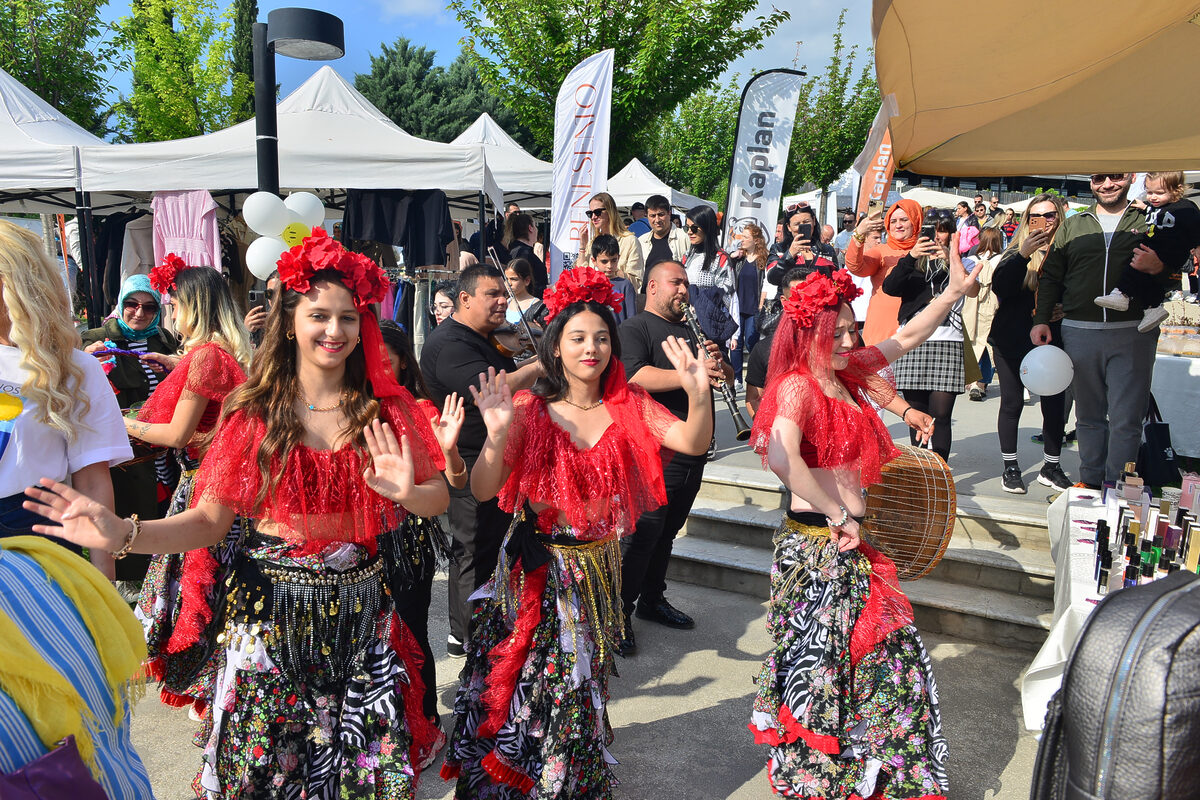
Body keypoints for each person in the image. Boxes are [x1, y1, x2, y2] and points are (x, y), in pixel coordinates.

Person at [25, 227, 450, 797]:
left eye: (348, 318)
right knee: (263, 777)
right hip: (268, 622)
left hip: (362, 624)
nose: (334, 330)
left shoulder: (386, 410)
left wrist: (406, 495)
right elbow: (208, 522)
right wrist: (123, 531)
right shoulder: (256, 413)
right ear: (292, 321)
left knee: (363, 780)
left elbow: (437, 496)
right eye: (320, 315)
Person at [440, 267, 713, 797]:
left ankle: (564, 778)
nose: (592, 348)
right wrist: (495, 438)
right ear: (556, 347)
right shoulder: (529, 409)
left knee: (578, 680)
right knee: (523, 677)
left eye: (602, 338)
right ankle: (515, 778)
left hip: (593, 570)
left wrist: (698, 393)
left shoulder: (628, 406)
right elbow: (482, 487)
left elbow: (692, 441)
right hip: (533, 570)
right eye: (578, 338)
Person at [748, 253, 980, 799]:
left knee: (873, 661)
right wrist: (835, 514)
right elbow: (782, 459)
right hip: (817, 546)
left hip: (851, 539)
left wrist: (951, 296)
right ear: (809, 335)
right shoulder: (797, 387)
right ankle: (824, 768)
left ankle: (872, 764)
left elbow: (905, 337)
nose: (851, 343)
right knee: (824, 666)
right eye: (840, 334)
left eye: (853, 331)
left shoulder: (846, 373)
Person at [127, 257, 250, 713]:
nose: (170, 314)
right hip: (225, 485)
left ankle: (207, 678)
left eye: (173, 305)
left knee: (198, 591)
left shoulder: (203, 358)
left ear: (191, 306)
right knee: (221, 586)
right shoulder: (225, 353)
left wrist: (127, 423)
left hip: (204, 485)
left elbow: (177, 435)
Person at [420, 264, 543, 657]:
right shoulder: (451, 344)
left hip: (494, 452)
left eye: (505, 294)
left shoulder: (484, 337)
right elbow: (492, 388)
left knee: (493, 543)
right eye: (493, 294)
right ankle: (466, 634)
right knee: (473, 546)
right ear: (465, 299)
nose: (503, 301)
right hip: (467, 457)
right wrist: (542, 364)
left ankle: (488, 622)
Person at [0, 220, 129, 576]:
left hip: (33, 540)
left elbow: (92, 480)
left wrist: (105, 582)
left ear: (15, 283)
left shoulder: (73, 368)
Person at [617, 260, 732, 656]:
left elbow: (720, 376)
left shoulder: (693, 332)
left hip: (691, 449)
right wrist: (690, 375)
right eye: (675, 282)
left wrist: (721, 370)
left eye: (686, 283)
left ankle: (652, 599)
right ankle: (619, 612)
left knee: (667, 533)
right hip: (653, 450)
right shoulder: (635, 328)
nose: (683, 289)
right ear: (652, 286)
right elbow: (632, 375)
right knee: (643, 533)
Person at [1031, 173, 1163, 489]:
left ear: (1131, 176)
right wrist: (1041, 319)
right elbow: (1050, 275)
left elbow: (1182, 261)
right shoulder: (1074, 225)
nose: (1106, 184)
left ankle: (1118, 487)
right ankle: (1090, 483)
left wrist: (1161, 266)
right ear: (1090, 183)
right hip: (1079, 330)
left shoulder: (1150, 220)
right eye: (1098, 178)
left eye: (1115, 176)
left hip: (1134, 330)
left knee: (1126, 420)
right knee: (1088, 417)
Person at [379, 319, 465, 755]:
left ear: (400, 362)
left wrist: (448, 449)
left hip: (407, 538)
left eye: (383, 357)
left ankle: (426, 722)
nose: (373, 364)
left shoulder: (419, 410)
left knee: (409, 633)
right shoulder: (342, 406)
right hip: (356, 546)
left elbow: (452, 481)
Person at [80, 271, 180, 592]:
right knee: (129, 512)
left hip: (164, 448)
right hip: (125, 455)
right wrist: (83, 360)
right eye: (132, 304)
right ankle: (129, 584)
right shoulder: (93, 338)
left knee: (164, 513)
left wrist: (173, 363)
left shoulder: (164, 340)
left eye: (149, 307)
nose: (139, 312)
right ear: (120, 303)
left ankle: (162, 580)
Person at [991, 195, 1074, 493]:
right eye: (1036, 216)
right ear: (1026, 221)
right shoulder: (1015, 251)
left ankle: (1051, 466)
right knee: (1012, 402)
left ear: (1060, 218)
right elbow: (1001, 288)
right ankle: (1010, 467)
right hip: (1011, 336)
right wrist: (1023, 254)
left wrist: (1067, 307)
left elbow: (1082, 289)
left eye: (1051, 215)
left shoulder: (1067, 250)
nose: (1045, 222)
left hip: (1053, 337)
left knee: (1055, 403)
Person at [881, 217, 979, 462]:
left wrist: (951, 259)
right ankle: (921, 469)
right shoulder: (911, 263)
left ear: (952, 235)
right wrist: (912, 256)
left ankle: (940, 471)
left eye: (943, 232)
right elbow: (889, 288)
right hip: (912, 342)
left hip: (949, 341)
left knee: (941, 415)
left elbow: (974, 290)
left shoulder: (963, 262)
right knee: (916, 414)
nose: (937, 237)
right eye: (931, 231)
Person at [1095, 171, 1200, 332]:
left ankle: (1122, 294)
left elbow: (1196, 229)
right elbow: (1154, 212)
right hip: (1156, 246)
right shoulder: (1154, 207)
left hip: (1171, 250)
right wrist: (1144, 207)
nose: (1153, 197)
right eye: (1149, 192)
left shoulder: (1185, 208)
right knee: (1148, 279)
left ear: (1176, 190)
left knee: (1135, 266)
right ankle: (1152, 308)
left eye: (1159, 193)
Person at [845, 198, 924, 345]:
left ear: (916, 221)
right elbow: (855, 266)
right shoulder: (881, 251)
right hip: (881, 333)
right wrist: (859, 233)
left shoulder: (926, 251)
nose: (898, 225)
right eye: (893, 221)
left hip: (917, 332)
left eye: (904, 220)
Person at [683, 204, 738, 354]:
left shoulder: (721, 259)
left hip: (709, 327)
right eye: (686, 228)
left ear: (706, 227)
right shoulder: (686, 256)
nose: (689, 232)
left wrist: (695, 296)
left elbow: (726, 295)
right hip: (686, 325)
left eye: (694, 228)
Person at [963, 227, 1004, 401]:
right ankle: (982, 382)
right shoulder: (1002, 260)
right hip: (993, 304)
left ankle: (975, 380)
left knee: (973, 341)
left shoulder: (969, 260)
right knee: (988, 343)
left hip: (970, 303)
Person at [579, 191, 646, 291]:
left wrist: (610, 270)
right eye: (590, 213)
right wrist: (582, 247)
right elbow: (580, 275)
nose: (593, 217)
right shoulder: (592, 242)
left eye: (597, 212)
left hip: (619, 300)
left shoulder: (630, 241)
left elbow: (636, 282)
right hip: (594, 301)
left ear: (610, 212)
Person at [730, 222, 770, 386]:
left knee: (750, 341)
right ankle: (737, 378)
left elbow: (766, 283)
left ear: (756, 240)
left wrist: (761, 304)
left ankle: (756, 375)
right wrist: (732, 258)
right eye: (742, 237)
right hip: (738, 308)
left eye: (746, 237)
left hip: (754, 308)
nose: (742, 240)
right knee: (735, 342)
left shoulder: (764, 259)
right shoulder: (739, 259)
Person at [637, 193, 689, 274]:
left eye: (661, 215)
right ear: (647, 216)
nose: (657, 220)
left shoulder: (684, 238)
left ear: (669, 213)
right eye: (652, 216)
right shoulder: (641, 242)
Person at [592, 233, 636, 324]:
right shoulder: (590, 285)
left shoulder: (625, 285)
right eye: (604, 261)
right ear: (594, 261)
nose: (610, 266)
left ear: (618, 258)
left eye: (613, 260)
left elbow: (632, 320)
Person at [503, 212, 546, 295]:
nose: (537, 229)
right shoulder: (524, 253)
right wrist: (548, 288)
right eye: (535, 226)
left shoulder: (517, 250)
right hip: (530, 302)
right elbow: (522, 284)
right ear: (530, 228)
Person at [503, 257, 545, 326]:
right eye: (506, 279)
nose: (509, 283)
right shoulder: (507, 302)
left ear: (527, 281)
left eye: (514, 279)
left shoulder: (535, 305)